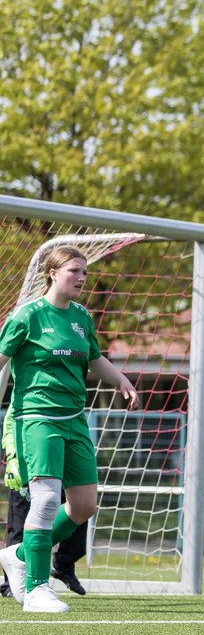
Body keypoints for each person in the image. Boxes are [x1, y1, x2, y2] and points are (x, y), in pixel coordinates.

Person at [0, 245, 138, 613]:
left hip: (74, 418)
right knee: (45, 499)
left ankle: (18, 555)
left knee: (84, 505)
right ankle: (36, 589)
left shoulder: (80, 317)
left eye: (85, 273)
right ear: (53, 273)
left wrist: (120, 380)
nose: (81, 278)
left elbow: (94, 358)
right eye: (74, 271)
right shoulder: (26, 316)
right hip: (37, 419)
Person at [0, 409, 89, 598]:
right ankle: (13, 583)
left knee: (80, 506)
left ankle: (63, 564)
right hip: (28, 454)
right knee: (24, 517)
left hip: (57, 452)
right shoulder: (28, 391)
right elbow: (11, 421)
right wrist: (13, 457)